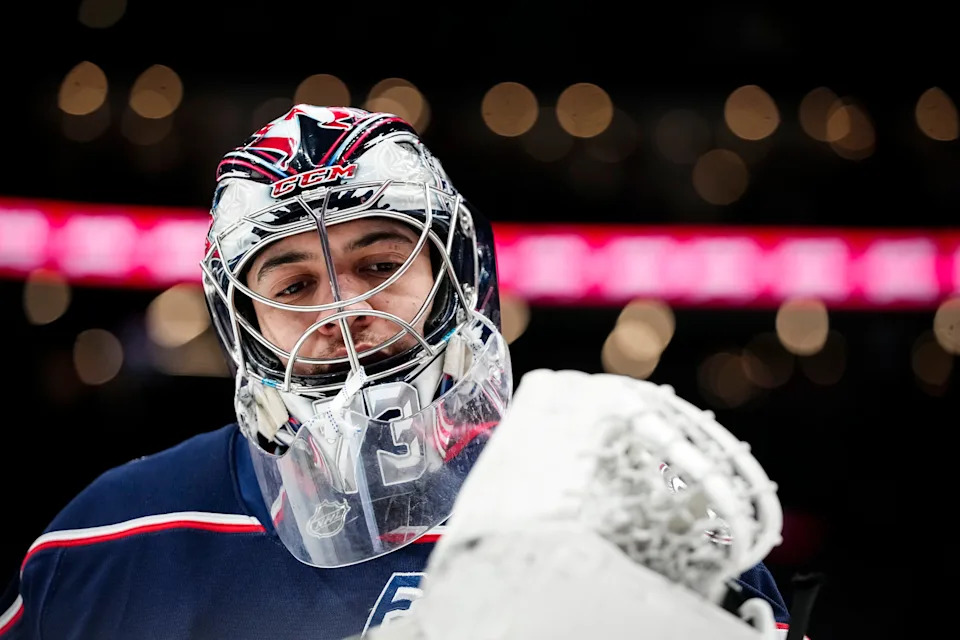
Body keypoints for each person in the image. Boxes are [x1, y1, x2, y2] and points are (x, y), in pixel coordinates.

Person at [0, 105, 793, 639]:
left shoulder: (628, 514)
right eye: (294, 286)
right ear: (243, 323)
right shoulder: (99, 541)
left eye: (380, 264)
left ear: (456, 275)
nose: (343, 309)